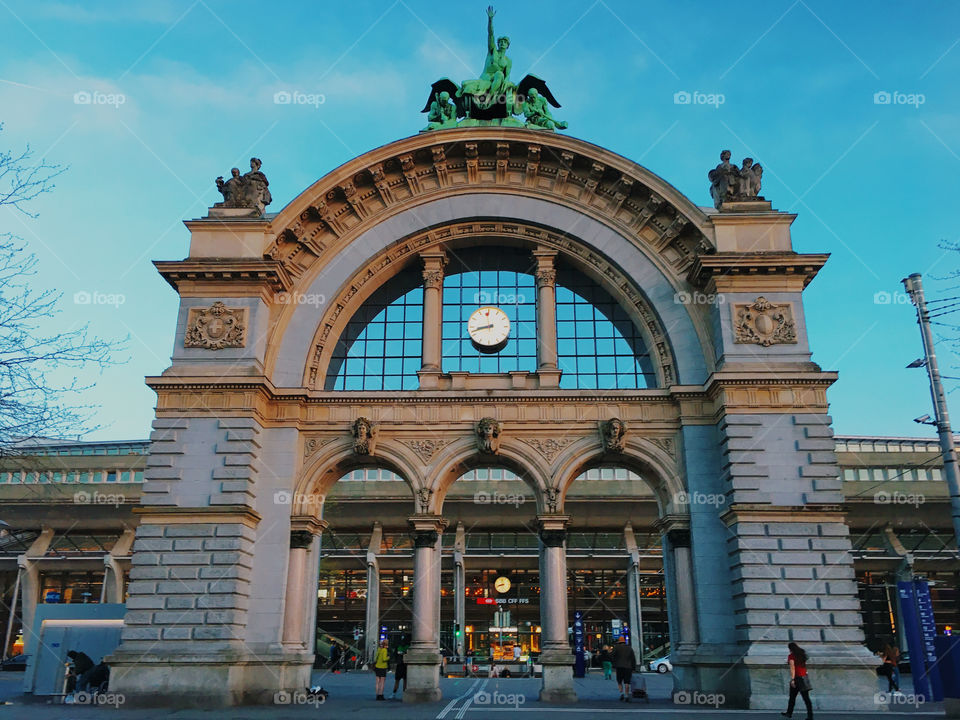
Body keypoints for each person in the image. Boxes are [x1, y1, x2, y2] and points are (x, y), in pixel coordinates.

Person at [782, 642, 813, 720]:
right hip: (804, 677)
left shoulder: (791, 656)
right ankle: (810, 716)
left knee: (792, 697)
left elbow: (793, 668)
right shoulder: (802, 654)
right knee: (806, 698)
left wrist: (792, 679)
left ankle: (789, 713)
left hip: (797, 678)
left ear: (790, 649)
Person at [611, 637, 636, 702]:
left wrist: (613, 664)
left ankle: (621, 693)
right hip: (628, 667)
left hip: (619, 667)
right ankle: (626, 695)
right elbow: (633, 658)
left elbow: (612, 655)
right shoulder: (629, 648)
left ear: (619, 642)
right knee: (627, 682)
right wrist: (633, 667)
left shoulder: (616, 647)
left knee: (619, 681)